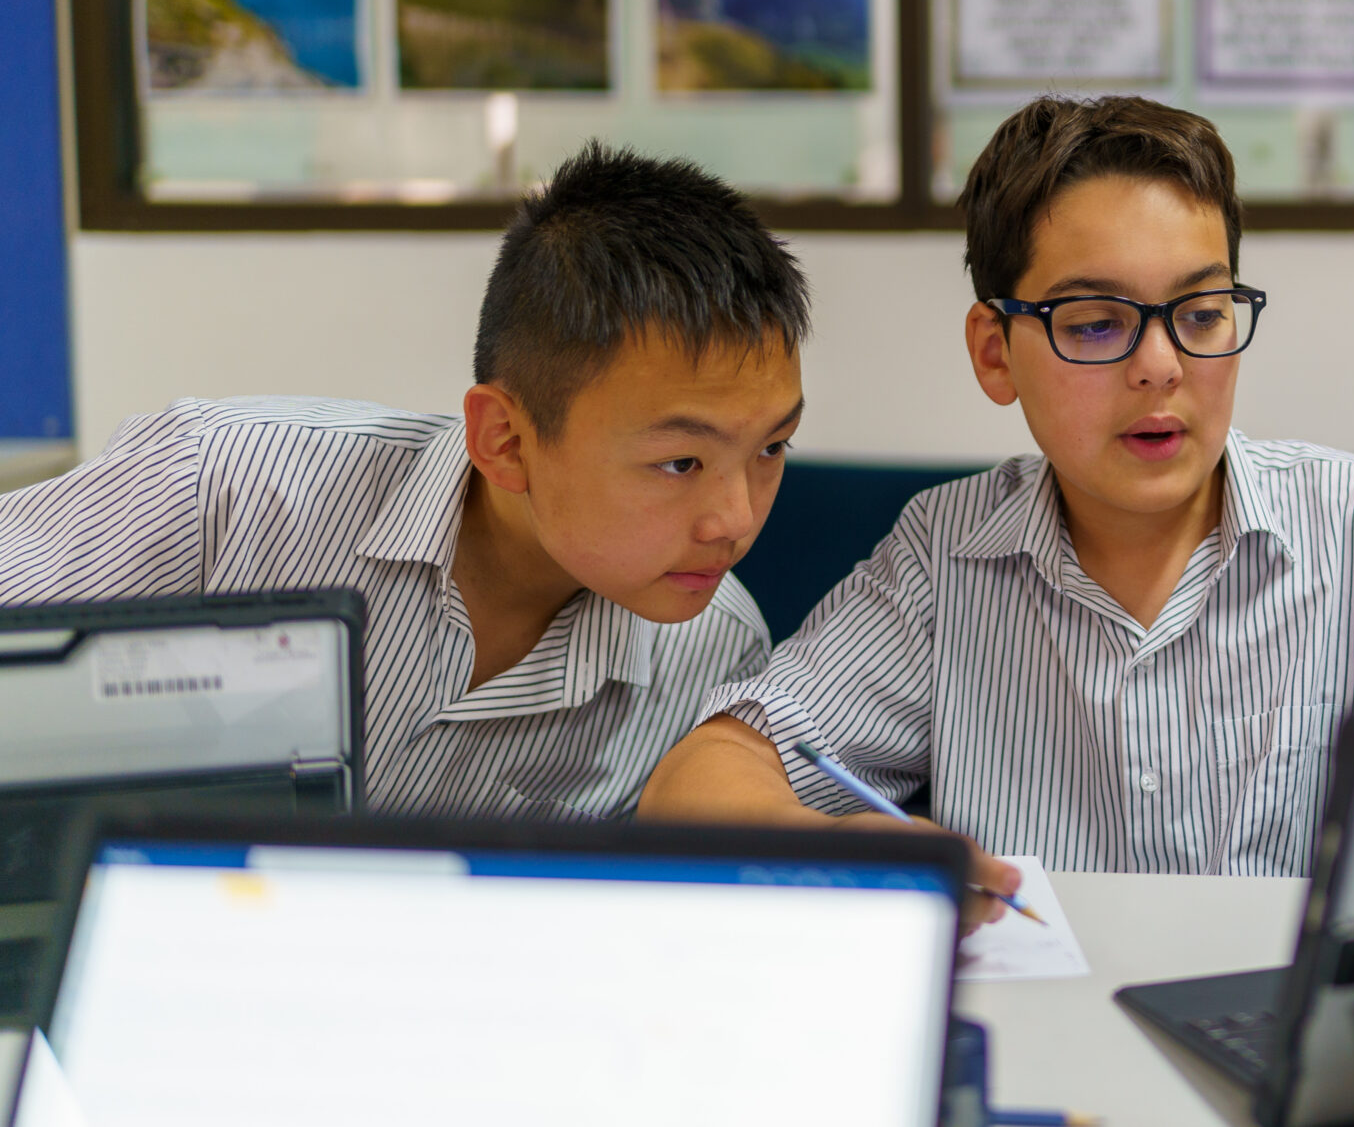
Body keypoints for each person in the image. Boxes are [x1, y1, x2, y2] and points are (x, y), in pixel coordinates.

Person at [638, 96, 1354, 912]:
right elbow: (699, 782)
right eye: (1095, 322)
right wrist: (844, 846)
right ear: (993, 352)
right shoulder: (942, 560)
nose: (1159, 368)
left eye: (1198, 312)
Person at [0, 142, 809, 819]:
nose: (735, 520)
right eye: (681, 463)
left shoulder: (717, 650)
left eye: (773, 448)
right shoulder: (224, 487)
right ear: (506, 441)